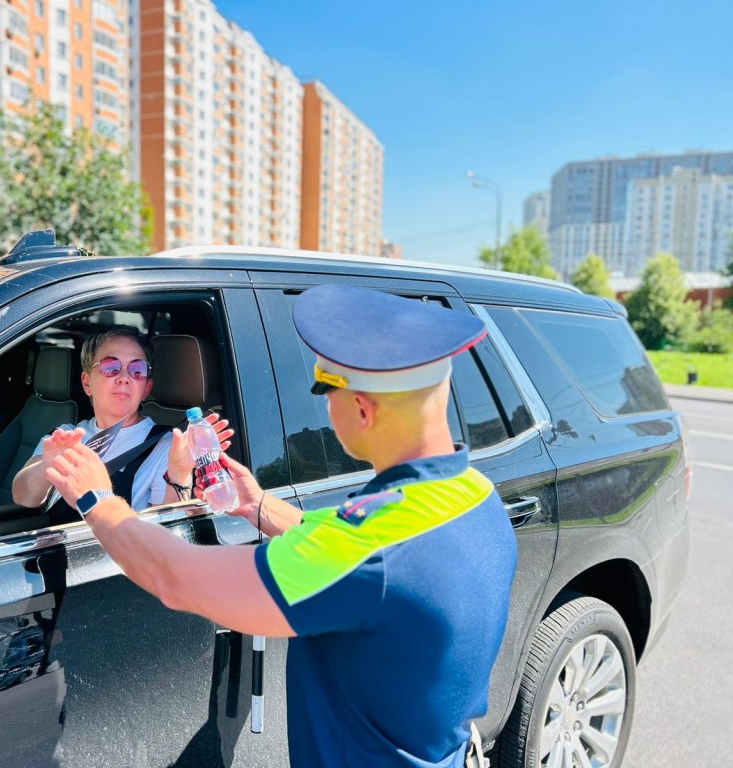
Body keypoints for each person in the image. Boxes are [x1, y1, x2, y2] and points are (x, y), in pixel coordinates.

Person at [40, 286, 518, 768]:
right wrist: (260, 507)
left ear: (363, 410)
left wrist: (98, 500)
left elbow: (176, 578)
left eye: (327, 394)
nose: (326, 413)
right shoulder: (474, 493)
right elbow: (343, 544)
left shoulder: (369, 548)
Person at [12, 325, 231, 512]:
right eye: (110, 367)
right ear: (87, 382)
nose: (124, 378)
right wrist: (47, 468)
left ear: (146, 388)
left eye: (137, 369)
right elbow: (23, 498)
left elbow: (168, 534)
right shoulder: (64, 436)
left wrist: (179, 476)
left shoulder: (167, 446)